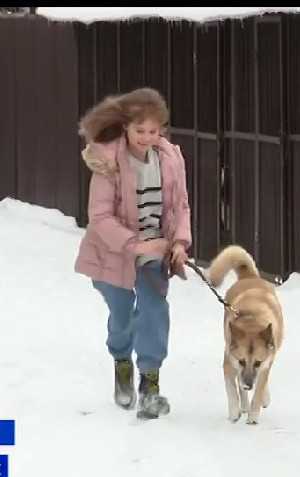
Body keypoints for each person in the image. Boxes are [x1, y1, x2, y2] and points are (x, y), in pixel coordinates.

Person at [73, 87, 193, 420]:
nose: (147, 137)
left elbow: (181, 204)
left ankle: (150, 386)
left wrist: (180, 243)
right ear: (126, 126)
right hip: (114, 254)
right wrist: (135, 245)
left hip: (156, 254)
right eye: (140, 130)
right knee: (123, 316)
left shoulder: (170, 158)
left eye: (154, 131)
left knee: (154, 312)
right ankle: (122, 362)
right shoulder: (108, 161)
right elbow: (99, 217)